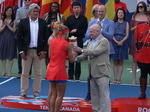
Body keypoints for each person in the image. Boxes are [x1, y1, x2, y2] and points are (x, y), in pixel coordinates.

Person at [74, 24, 111, 112]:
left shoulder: (104, 41)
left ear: (98, 31)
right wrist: (74, 59)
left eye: (91, 32)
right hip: (92, 73)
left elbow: (96, 52)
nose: (89, 33)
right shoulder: (90, 42)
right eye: (89, 31)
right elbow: (85, 55)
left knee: (104, 96)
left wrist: (81, 50)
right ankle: (96, 110)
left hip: (102, 73)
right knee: (94, 96)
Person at [16, 3, 48, 98]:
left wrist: (44, 51)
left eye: (37, 11)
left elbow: (46, 38)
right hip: (27, 51)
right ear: (29, 12)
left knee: (38, 73)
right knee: (25, 72)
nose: (35, 13)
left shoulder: (43, 22)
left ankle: (36, 92)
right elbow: (19, 38)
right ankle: (24, 91)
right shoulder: (23, 22)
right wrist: (21, 51)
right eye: (34, 11)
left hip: (39, 51)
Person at [84, 5, 114, 101]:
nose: (100, 13)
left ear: (105, 12)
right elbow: (87, 35)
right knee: (91, 73)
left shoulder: (111, 23)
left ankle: (105, 95)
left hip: (104, 52)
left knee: (104, 74)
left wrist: (101, 30)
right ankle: (90, 94)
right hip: (93, 50)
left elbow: (110, 36)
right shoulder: (92, 22)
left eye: (102, 11)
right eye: (98, 11)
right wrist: (94, 32)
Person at [45, 24, 77, 112]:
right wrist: (75, 54)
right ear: (65, 34)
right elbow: (71, 60)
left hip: (51, 68)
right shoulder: (67, 45)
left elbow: (50, 55)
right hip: (60, 70)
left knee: (52, 94)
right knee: (60, 95)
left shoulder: (52, 42)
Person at [65, 1, 88, 81]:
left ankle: (77, 76)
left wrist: (77, 31)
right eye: (75, 8)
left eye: (78, 8)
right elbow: (66, 29)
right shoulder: (69, 18)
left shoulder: (84, 19)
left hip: (79, 40)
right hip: (70, 41)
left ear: (80, 9)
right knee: (70, 57)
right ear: (72, 9)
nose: (76, 9)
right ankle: (70, 75)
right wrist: (71, 31)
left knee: (78, 58)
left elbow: (84, 31)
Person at [129, 1, 147, 85]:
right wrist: (137, 28)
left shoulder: (148, 16)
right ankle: (134, 79)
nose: (140, 9)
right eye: (139, 7)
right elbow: (130, 29)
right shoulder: (134, 16)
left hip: (145, 41)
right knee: (134, 60)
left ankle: (144, 78)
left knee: (145, 60)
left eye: (142, 7)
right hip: (135, 40)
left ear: (144, 8)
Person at [42, 1, 65, 67]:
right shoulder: (45, 16)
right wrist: (50, 25)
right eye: (52, 6)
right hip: (47, 38)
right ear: (50, 7)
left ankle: (55, 71)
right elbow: (42, 26)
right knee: (47, 56)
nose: (54, 8)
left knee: (56, 55)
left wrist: (55, 25)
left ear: (58, 8)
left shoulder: (61, 16)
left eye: (55, 7)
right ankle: (48, 71)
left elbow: (62, 28)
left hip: (57, 39)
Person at [134, 11, 150, 99]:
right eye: (148, 15)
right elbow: (136, 40)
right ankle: (142, 92)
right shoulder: (140, 26)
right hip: (143, 54)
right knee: (143, 73)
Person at [111, 8, 129, 84]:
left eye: (122, 13)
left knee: (120, 61)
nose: (120, 14)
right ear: (117, 14)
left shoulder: (126, 23)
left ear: (124, 14)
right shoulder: (113, 23)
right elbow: (111, 34)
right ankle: (115, 78)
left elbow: (127, 35)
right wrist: (116, 41)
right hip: (114, 42)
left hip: (123, 43)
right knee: (115, 61)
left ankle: (119, 79)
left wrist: (121, 41)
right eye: (119, 13)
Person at [15, 0, 32, 78]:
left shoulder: (33, 9)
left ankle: (29, 72)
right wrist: (25, 19)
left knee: (30, 53)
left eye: (29, 0)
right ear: (24, 1)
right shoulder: (19, 10)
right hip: (22, 34)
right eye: (26, 0)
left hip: (31, 34)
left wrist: (30, 18)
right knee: (21, 53)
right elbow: (17, 21)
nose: (27, 1)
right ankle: (20, 72)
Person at [0, 6, 17, 77]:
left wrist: (8, 25)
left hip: (11, 39)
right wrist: (4, 25)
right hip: (3, 38)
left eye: (10, 11)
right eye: (7, 11)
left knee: (10, 55)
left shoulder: (14, 21)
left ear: (12, 12)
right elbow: (0, 30)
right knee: (3, 55)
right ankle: (4, 71)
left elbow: (14, 30)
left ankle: (10, 71)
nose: (9, 12)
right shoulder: (1, 20)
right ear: (5, 12)